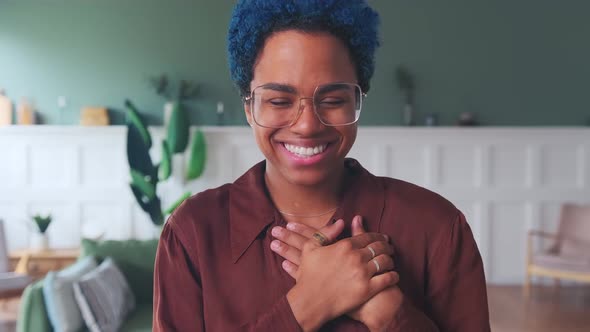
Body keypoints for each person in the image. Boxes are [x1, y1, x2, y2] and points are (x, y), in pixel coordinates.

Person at [153, 1, 490, 331]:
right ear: (248, 106)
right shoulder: (193, 233)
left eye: (332, 101)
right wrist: (308, 305)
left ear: (358, 101)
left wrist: (386, 312)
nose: (307, 125)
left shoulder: (437, 227)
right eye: (279, 101)